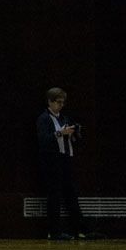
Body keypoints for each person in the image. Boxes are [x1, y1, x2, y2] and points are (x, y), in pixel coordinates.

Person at [37, 87, 89, 240]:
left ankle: (79, 229)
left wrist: (74, 132)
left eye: (62, 102)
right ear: (50, 102)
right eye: (58, 102)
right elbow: (43, 140)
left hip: (65, 159)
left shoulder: (64, 118)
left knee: (71, 194)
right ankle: (54, 231)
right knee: (54, 195)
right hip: (51, 161)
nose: (60, 105)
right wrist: (60, 133)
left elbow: (70, 138)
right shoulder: (44, 118)